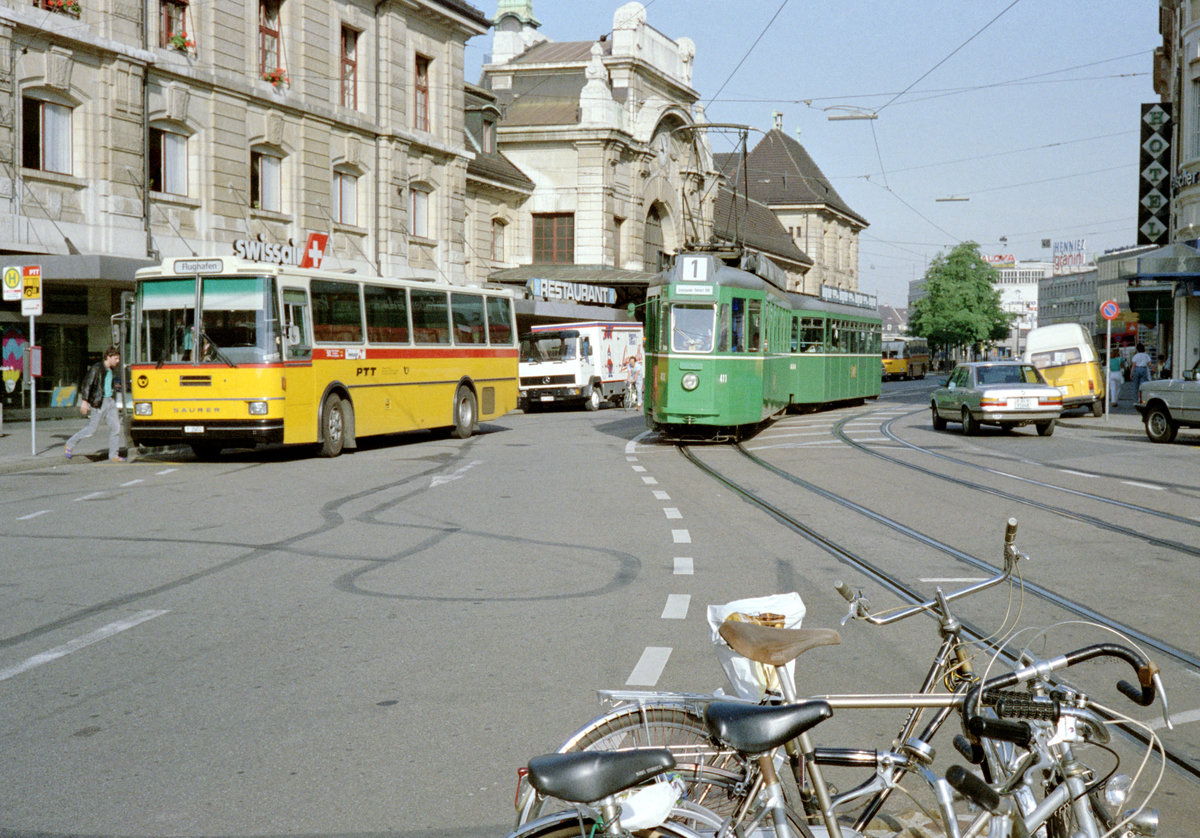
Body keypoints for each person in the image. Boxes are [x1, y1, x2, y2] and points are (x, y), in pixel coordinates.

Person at [65, 346, 125, 462]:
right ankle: (70, 444)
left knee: (116, 428)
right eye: (116, 358)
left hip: (110, 401)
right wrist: (84, 401)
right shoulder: (97, 368)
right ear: (109, 357)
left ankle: (113, 455)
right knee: (91, 429)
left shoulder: (111, 370)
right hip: (99, 402)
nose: (118, 361)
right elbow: (87, 384)